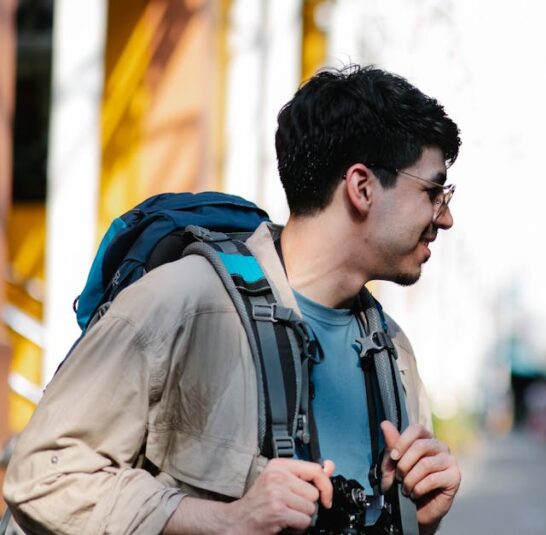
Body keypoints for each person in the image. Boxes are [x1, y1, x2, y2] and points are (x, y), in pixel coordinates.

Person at [3, 65, 463, 534]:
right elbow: (42, 476)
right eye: (433, 192)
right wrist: (227, 520)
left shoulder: (393, 352)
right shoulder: (182, 302)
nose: (443, 219)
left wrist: (418, 517)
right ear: (362, 187)